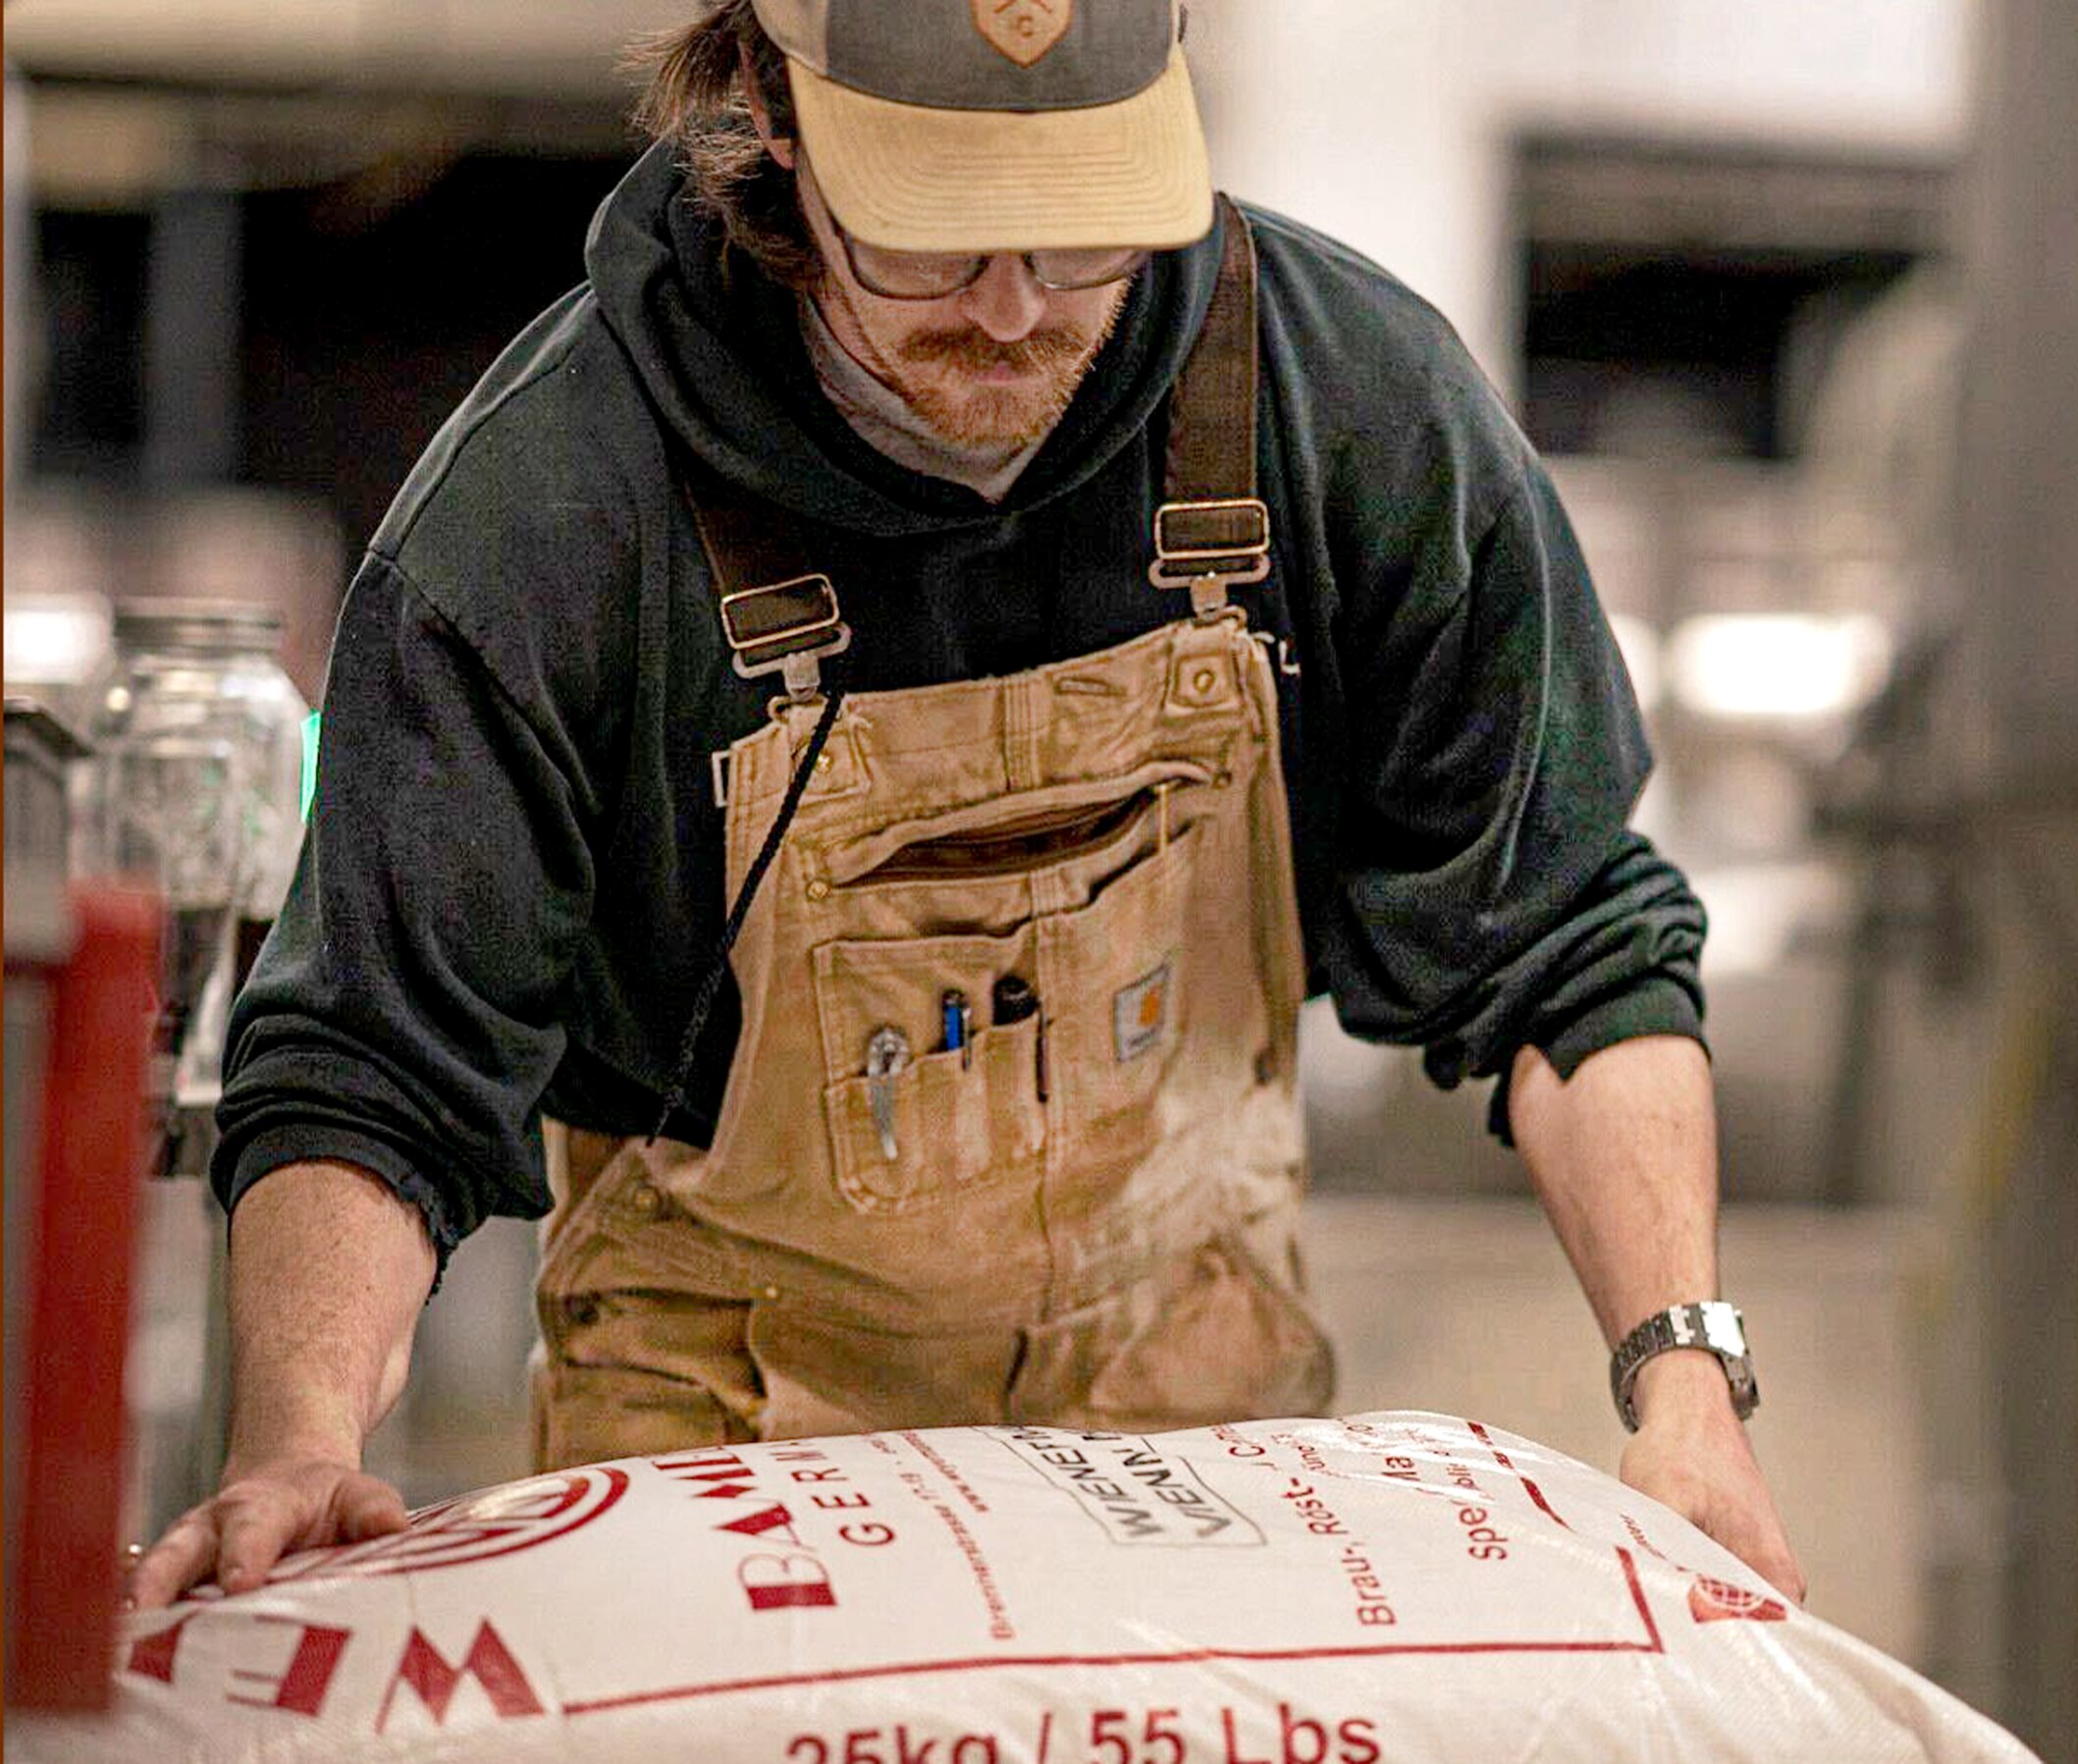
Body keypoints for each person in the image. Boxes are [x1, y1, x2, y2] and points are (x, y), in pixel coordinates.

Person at [131, 0, 1803, 1609]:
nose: (1011, 311)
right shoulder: (550, 515)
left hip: (1202, 1465)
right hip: (730, 1497)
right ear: (772, 126)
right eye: (931, 240)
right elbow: (370, 1074)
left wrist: (1687, 1383)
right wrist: (298, 1437)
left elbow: (1570, 939)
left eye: (1078, 233)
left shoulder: (1350, 406)